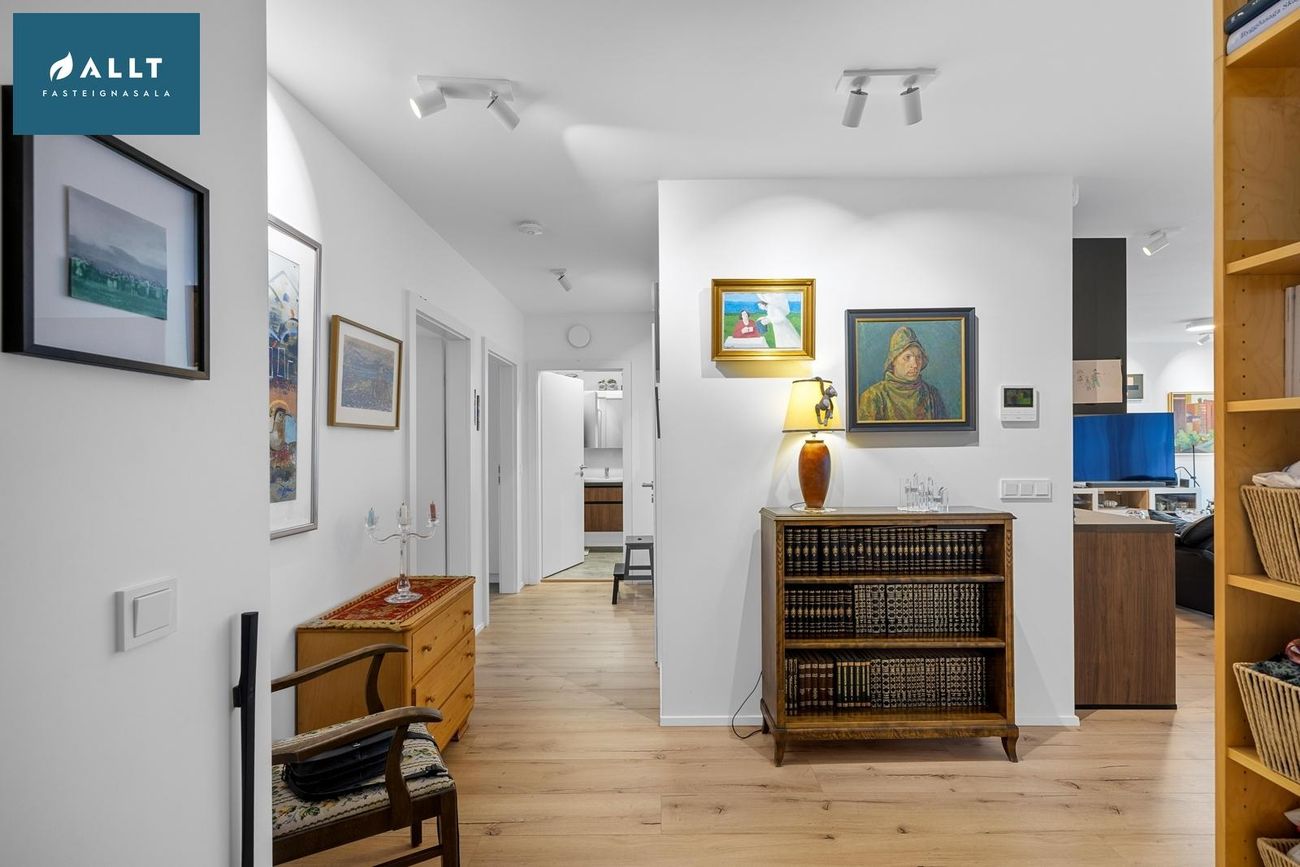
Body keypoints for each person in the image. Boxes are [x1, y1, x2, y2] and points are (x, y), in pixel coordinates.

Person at [857, 325, 950, 421]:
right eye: (907, 357)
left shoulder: (932, 394)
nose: (915, 365)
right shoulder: (873, 396)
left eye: (918, 357)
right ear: (893, 361)